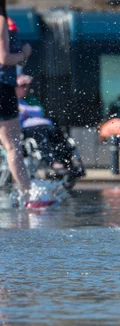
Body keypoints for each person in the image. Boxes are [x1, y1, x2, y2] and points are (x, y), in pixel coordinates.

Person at [0, 3, 46, 207]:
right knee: (12, 147)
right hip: (2, 88)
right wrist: (25, 53)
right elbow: (3, 58)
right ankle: (29, 197)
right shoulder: (0, 21)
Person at [17, 74, 79, 173]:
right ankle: (52, 161)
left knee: (56, 133)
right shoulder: (11, 100)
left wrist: (25, 111)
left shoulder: (29, 98)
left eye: (27, 86)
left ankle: (66, 160)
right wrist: (28, 112)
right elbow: (17, 117)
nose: (26, 88)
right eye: (23, 86)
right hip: (26, 129)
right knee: (42, 135)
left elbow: (40, 111)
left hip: (43, 125)